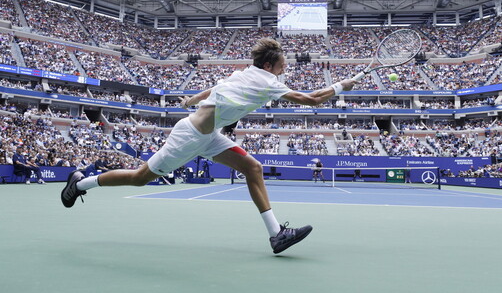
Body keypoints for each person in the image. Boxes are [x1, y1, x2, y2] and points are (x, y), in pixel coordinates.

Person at [61, 38, 356, 254]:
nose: (286, 66)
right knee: (139, 178)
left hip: (209, 135)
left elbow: (214, 89)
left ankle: (276, 234)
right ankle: (81, 183)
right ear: (269, 65)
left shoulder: (245, 74)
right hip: (188, 138)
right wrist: (343, 85)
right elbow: (313, 99)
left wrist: (191, 100)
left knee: (253, 168)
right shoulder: (267, 80)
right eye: (282, 62)